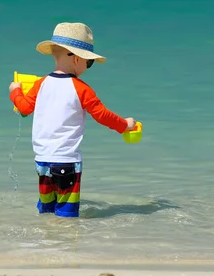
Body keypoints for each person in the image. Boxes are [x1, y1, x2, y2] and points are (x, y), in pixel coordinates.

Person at [9, 22, 137, 218]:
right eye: (89, 62)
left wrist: (15, 91)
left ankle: (44, 244)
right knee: (67, 216)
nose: (88, 66)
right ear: (76, 58)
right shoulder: (81, 89)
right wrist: (125, 125)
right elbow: (102, 115)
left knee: (46, 210)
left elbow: (24, 109)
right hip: (66, 162)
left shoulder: (39, 84)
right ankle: (65, 246)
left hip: (41, 162)